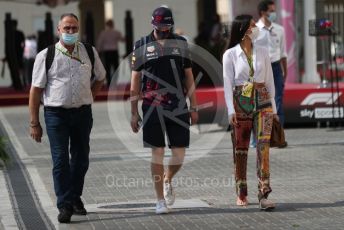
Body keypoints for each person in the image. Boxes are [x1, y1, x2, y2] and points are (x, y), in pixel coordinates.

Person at [29, 13, 106, 223]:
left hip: (82, 114)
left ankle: (74, 197)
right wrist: (34, 123)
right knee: (61, 160)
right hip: (56, 115)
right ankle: (64, 205)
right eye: (67, 28)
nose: (71, 32)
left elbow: (101, 77)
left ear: (78, 29)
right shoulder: (46, 55)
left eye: (74, 28)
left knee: (81, 159)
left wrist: (90, 96)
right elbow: (35, 91)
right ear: (59, 30)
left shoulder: (89, 51)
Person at [130, 6, 198, 214]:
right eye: (160, 26)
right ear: (153, 24)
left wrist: (193, 106)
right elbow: (135, 80)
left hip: (177, 105)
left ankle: (168, 178)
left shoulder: (181, 43)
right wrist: (134, 112)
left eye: (167, 26)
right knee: (157, 153)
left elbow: (188, 75)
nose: (163, 30)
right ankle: (160, 200)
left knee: (179, 154)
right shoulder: (141, 45)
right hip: (151, 107)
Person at [223, 14, 277, 210]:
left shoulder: (262, 51)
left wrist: (274, 109)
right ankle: (242, 191)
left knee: (263, 148)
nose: (256, 28)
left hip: (262, 99)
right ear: (244, 29)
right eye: (253, 25)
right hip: (240, 101)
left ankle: (264, 193)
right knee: (241, 148)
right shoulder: (230, 54)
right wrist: (230, 110)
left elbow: (270, 80)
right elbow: (227, 84)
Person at [256, 1, 288, 129]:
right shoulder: (254, 30)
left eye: (274, 10)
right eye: (271, 11)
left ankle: (278, 134)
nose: (273, 13)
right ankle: (259, 136)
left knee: (278, 99)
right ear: (263, 12)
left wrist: (285, 71)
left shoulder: (280, 30)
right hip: (260, 69)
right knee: (261, 102)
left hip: (275, 67)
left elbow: (283, 53)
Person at [96, 19, 125, 87]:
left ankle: (109, 83)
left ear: (106, 25)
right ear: (113, 24)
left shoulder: (103, 33)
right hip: (114, 52)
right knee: (115, 68)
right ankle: (115, 83)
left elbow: (99, 43)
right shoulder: (116, 32)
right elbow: (122, 40)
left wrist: (98, 52)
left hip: (107, 52)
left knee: (107, 68)